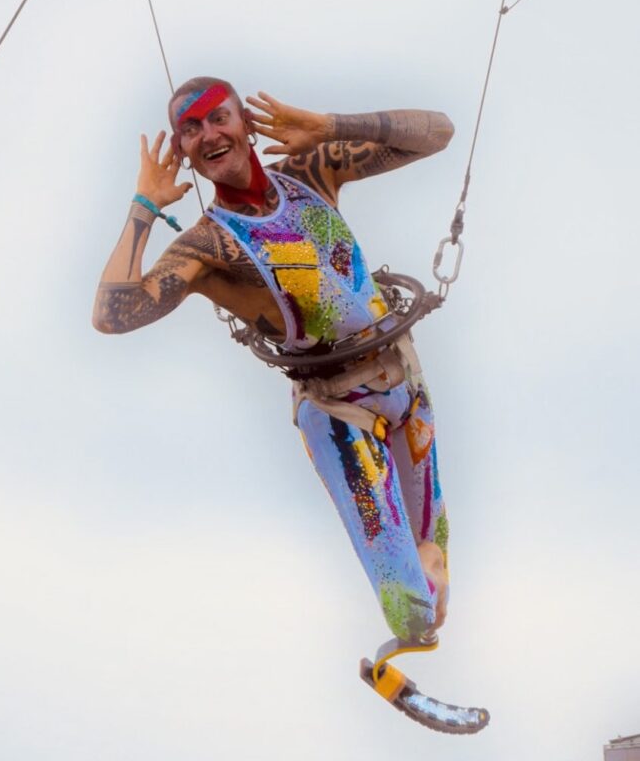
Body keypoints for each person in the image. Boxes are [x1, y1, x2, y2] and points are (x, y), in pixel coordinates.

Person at [93, 76, 454, 646]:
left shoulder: (313, 173)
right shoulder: (209, 245)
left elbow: (437, 132)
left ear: (246, 124)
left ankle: (424, 591)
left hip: (404, 382)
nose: (208, 135)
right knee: (408, 611)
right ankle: (404, 638)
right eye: (191, 130)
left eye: (218, 118)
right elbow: (113, 314)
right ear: (185, 151)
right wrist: (144, 206)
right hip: (338, 410)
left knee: (437, 576)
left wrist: (330, 126)